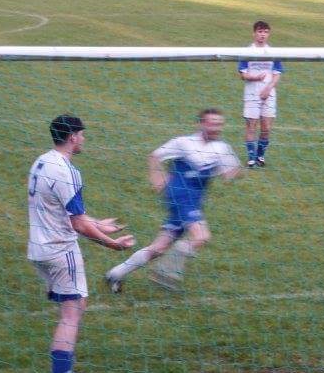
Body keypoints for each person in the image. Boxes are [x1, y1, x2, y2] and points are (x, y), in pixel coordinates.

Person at [28, 115, 134, 373]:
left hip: (38, 248)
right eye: (82, 135)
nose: (84, 139)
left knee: (77, 305)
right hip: (60, 250)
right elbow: (77, 224)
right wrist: (112, 244)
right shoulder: (68, 171)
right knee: (71, 314)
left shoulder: (41, 162)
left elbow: (65, 211)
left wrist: (99, 223)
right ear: (73, 137)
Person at [105, 109, 240, 293]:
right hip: (181, 197)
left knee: (159, 247)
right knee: (201, 236)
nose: (216, 127)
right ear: (201, 124)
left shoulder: (222, 148)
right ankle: (166, 271)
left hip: (194, 200)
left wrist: (235, 171)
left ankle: (116, 273)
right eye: (212, 123)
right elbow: (155, 156)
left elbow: (228, 174)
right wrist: (157, 179)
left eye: (219, 123)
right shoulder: (184, 142)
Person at [238, 20, 284, 167]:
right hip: (252, 94)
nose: (262, 35)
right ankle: (251, 159)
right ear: (254, 33)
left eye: (265, 32)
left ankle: (260, 156)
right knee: (251, 126)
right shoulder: (247, 52)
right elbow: (243, 74)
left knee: (266, 128)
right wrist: (255, 78)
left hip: (269, 93)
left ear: (268, 34)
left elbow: (277, 73)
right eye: (260, 31)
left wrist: (268, 88)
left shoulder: (273, 53)